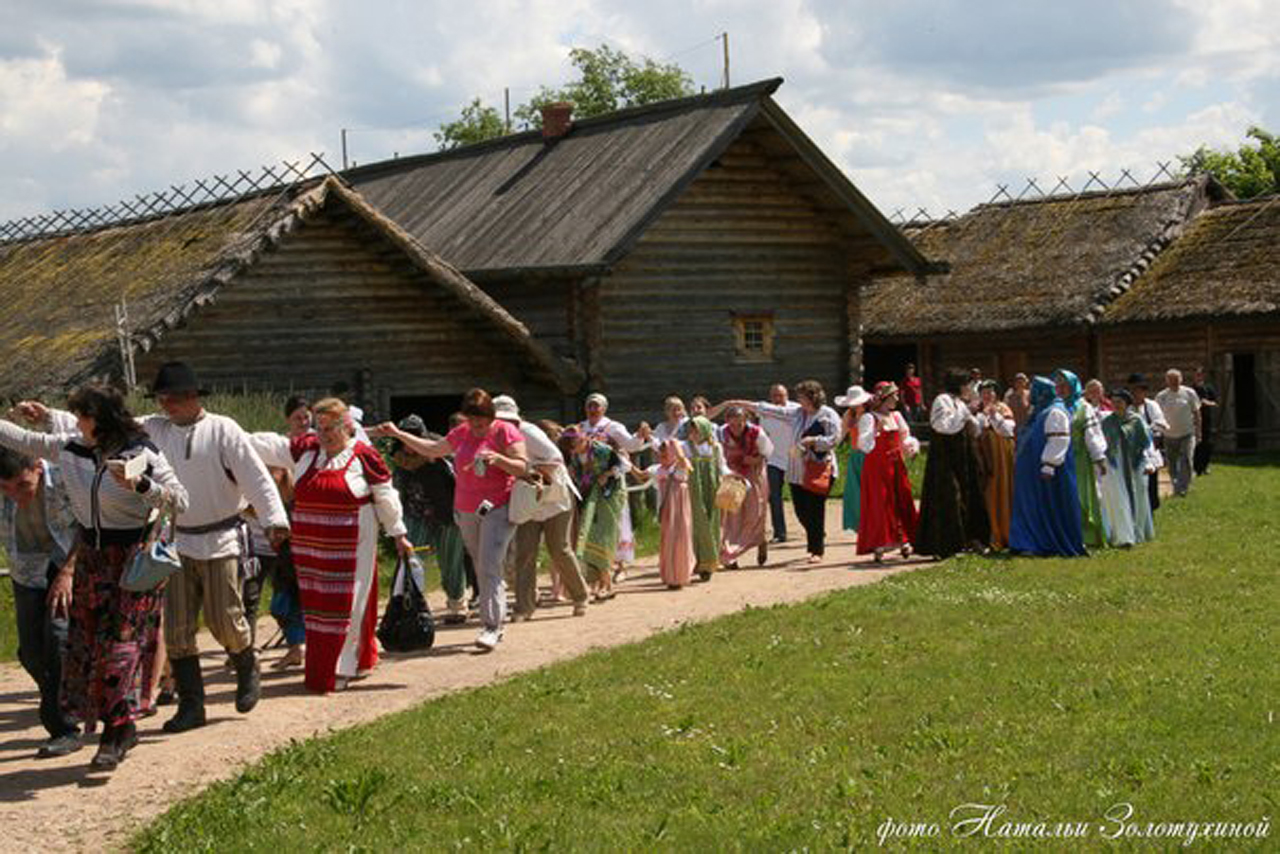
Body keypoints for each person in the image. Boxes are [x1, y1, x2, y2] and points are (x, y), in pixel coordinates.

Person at [2, 385, 188, 769]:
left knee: (121, 649)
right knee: (92, 651)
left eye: (81, 416)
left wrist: (142, 485)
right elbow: (22, 439)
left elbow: (179, 500)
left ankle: (112, 736)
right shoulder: (71, 449)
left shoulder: (140, 452)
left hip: (134, 561)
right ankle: (122, 728)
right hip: (92, 561)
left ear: (98, 418)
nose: (76, 423)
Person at [256, 399, 412, 689]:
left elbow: (385, 494)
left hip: (352, 543)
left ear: (346, 427)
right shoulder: (308, 450)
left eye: (330, 429)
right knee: (317, 607)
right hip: (312, 550)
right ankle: (323, 666)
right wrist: (226, 435)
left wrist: (398, 533)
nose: (324, 435)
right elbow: (267, 445)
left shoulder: (363, 454)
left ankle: (342, 667)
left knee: (348, 603)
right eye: (320, 428)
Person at [372, 390, 525, 652]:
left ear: (491, 417)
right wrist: (398, 434)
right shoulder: (462, 432)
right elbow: (432, 449)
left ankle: (491, 626)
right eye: (472, 422)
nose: (476, 428)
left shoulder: (505, 432)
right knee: (480, 563)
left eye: (481, 423)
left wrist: (499, 459)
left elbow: (522, 466)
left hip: (498, 506)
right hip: (466, 509)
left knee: (489, 563)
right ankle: (494, 617)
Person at [0, 447, 82, 758]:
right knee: (31, 653)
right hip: (26, 571)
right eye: (5, 489)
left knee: (58, 641)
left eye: (23, 486)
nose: (15, 496)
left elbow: (89, 526)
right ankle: (71, 696)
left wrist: (69, 572)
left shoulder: (65, 479)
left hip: (64, 566)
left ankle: (64, 728)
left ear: (38, 467)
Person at [493, 396, 589, 620]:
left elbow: (555, 459)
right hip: (527, 500)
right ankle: (524, 606)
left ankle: (580, 596)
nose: (504, 423)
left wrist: (528, 472)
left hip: (554, 496)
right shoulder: (496, 437)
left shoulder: (528, 432)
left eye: (507, 419)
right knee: (525, 552)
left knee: (559, 548)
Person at [386, 415, 471, 625]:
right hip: (415, 514)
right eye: (405, 436)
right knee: (412, 559)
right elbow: (395, 487)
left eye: (414, 436)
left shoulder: (439, 451)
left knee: (451, 561)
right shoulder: (397, 457)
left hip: (446, 515)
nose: (409, 442)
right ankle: (412, 605)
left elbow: (457, 478)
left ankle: (457, 604)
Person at [916, 370, 991, 559]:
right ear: (959, 385)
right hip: (945, 458)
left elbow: (974, 429)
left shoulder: (959, 403)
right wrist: (965, 413)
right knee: (949, 498)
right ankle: (944, 545)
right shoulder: (942, 400)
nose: (969, 389)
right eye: (967, 384)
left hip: (963, 457)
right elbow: (943, 426)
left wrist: (977, 418)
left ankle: (969, 539)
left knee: (970, 495)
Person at [1008, 377, 1086, 557]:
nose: (1031, 395)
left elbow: (1059, 439)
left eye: (1034, 391)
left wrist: (1049, 465)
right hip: (1032, 471)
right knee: (1032, 506)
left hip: (1047, 472)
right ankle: (1027, 542)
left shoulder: (1055, 412)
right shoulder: (1041, 411)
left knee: (1048, 507)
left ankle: (1043, 542)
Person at [716, 385, 798, 544]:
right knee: (772, 497)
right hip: (770, 462)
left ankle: (810, 528)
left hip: (792, 458)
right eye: (774, 395)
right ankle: (778, 533)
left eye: (781, 395)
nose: (777, 399)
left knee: (797, 497)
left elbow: (765, 449)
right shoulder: (724, 431)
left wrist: (756, 459)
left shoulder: (795, 410)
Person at [561, 427, 626, 600]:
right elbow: (579, 477)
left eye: (576, 444)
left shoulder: (602, 450)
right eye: (571, 447)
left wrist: (607, 474)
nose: (574, 450)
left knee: (604, 537)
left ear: (583, 439)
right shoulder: (575, 457)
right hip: (589, 497)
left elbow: (621, 466)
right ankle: (597, 583)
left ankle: (607, 584)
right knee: (589, 537)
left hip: (609, 496)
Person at [856, 382, 919, 562]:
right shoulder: (869, 418)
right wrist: (875, 431)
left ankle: (904, 539)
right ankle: (880, 542)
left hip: (896, 465)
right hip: (877, 467)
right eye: (894, 396)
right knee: (881, 502)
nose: (897, 399)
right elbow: (863, 445)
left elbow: (904, 437)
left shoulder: (896, 416)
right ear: (884, 398)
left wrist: (910, 447)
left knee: (901, 498)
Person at [1056, 369, 1108, 550]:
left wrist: (1099, 457)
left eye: (1065, 385)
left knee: (1083, 497)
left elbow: (1093, 435)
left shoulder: (1083, 407)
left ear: (1073, 386)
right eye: (1058, 385)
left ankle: (1087, 535)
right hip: (1061, 460)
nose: (1061, 389)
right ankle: (1067, 534)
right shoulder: (1056, 407)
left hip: (1081, 461)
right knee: (1064, 498)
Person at [718, 405, 773, 569]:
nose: (736, 428)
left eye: (739, 424)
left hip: (753, 474)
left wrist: (755, 460)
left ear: (745, 421)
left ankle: (760, 540)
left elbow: (767, 453)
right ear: (727, 422)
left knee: (754, 513)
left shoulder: (757, 433)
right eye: (732, 424)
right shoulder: (721, 433)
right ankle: (730, 555)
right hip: (732, 474)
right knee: (731, 515)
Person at [1101, 389, 1157, 544]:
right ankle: (1123, 531)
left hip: (1135, 463)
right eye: (1114, 402)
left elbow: (1145, 443)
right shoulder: (1107, 422)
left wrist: (1149, 462)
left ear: (1127, 403)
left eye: (1119, 402)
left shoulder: (1136, 420)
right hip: (1116, 464)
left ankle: (1138, 532)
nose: (1116, 405)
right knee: (1120, 497)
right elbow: (1103, 443)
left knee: (1138, 495)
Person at [640, 439, 695, 589]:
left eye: (665, 452)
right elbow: (641, 476)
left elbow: (683, 461)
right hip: (667, 508)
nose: (662, 455)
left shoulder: (680, 466)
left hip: (680, 507)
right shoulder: (658, 469)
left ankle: (680, 575)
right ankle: (670, 575)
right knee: (668, 539)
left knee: (680, 539)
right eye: (661, 452)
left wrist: (676, 447)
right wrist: (626, 463)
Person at [974, 380, 1016, 550]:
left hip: (1000, 454)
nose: (987, 395)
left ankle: (1004, 532)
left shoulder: (1003, 409)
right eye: (983, 392)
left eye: (990, 392)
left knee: (1001, 488)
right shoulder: (977, 411)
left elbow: (1008, 431)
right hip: (983, 453)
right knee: (986, 490)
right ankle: (989, 532)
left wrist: (994, 416)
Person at [685, 416, 727, 579]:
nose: (693, 434)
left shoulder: (715, 447)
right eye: (692, 430)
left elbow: (722, 466)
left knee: (712, 521)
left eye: (696, 430)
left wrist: (731, 477)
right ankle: (700, 560)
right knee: (698, 521)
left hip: (712, 487)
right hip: (695, 488)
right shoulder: (686, 447)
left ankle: (709, 561)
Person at [1155, 369, 1200, 498]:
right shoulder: (1161, 396)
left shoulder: (1189, 393)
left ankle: (1182, 488)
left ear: (1181, 379)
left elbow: (1197, 413)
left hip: (1187, 433)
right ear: (1167, 381)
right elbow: (1156, 416)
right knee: (1172, 463)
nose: (1174, 382)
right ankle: (1175, 485)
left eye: (1176, 379)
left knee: (1187, 459)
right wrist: (1158, 433)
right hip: (1169, 435)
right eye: (1171, 380)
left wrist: (1198, 431)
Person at [835, 385, 872, 536]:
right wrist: (830, 448)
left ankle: (870, 523)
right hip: (855, 455)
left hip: (869, 456)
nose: (854, 406)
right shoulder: (849, 415)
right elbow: (840, 434)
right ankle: (857, 524)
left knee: (869, 491)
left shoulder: (869, 416)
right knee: (853, 492)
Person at [1128, 374, 1168, 513]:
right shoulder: (1127, 407)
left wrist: (1147, 429)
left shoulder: (1151, 405)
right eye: (1132, 390)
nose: (1135, 393)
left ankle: (1150, 510)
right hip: (1131, 451)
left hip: (1149, 449)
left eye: (1138, 390)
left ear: (1143, 391)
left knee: (1150, 485)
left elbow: (1161, 423)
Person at [1191, 366, 1218, 475]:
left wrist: (1207, 402)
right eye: (1196, 375)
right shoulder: (1191, 390)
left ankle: (1205, 466)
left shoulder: (1208, 388)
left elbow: (1215, 402)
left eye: (1200, 375)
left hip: (1207, 419)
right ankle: (1195, 467)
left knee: (1207, 443)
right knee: (1196, 443)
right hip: (1194, 420)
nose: (1198, 377)